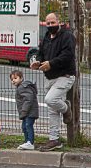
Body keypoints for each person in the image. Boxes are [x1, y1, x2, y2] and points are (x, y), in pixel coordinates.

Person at [31, 12, 76, 151]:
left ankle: (66, 108)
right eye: (48, 23)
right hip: (49, 77)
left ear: (59, 21)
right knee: (52, 111)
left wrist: (51, 63)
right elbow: (40, 52)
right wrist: (37, 61)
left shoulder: (67, 36)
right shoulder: (46, 37)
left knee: (50, 100)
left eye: (53, 22)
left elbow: (68, 55)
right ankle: (54, 139)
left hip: (65, 75)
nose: (50, 25)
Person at [10, 69, 39, 150]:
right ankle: (27, 142)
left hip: (29, 112)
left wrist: (24, 111)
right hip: (28, 112)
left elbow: (28, 99)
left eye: (15, 78)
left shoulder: (23, 87)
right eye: (12, 79)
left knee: (28, 126)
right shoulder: (21, 87)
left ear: (21, 78)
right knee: (24, 127)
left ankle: (30, 142)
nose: (13, 81)